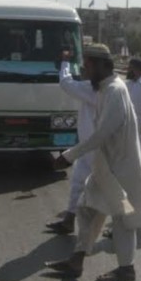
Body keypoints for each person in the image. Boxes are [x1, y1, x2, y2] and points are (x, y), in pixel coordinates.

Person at [47, 44, 141, 281]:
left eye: (89, 66)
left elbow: (101, 133)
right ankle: (77, 260)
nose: (86, 71)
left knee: (123, 221)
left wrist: (68, 156)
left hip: (120, 172)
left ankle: (126, 269)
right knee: (85, 209)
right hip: (106, 168)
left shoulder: (114, 90)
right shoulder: (104, 89)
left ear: (103, 65)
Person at [45, 51, 96, 235]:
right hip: (86, 148)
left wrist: (65, 62)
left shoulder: (91, 87)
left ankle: (126, 223)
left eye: (85, 68)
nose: (82, 72)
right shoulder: (92, 86)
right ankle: (68, 221)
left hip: (98, 149)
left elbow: (65, 82)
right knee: (77, 184)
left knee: (111, 192)